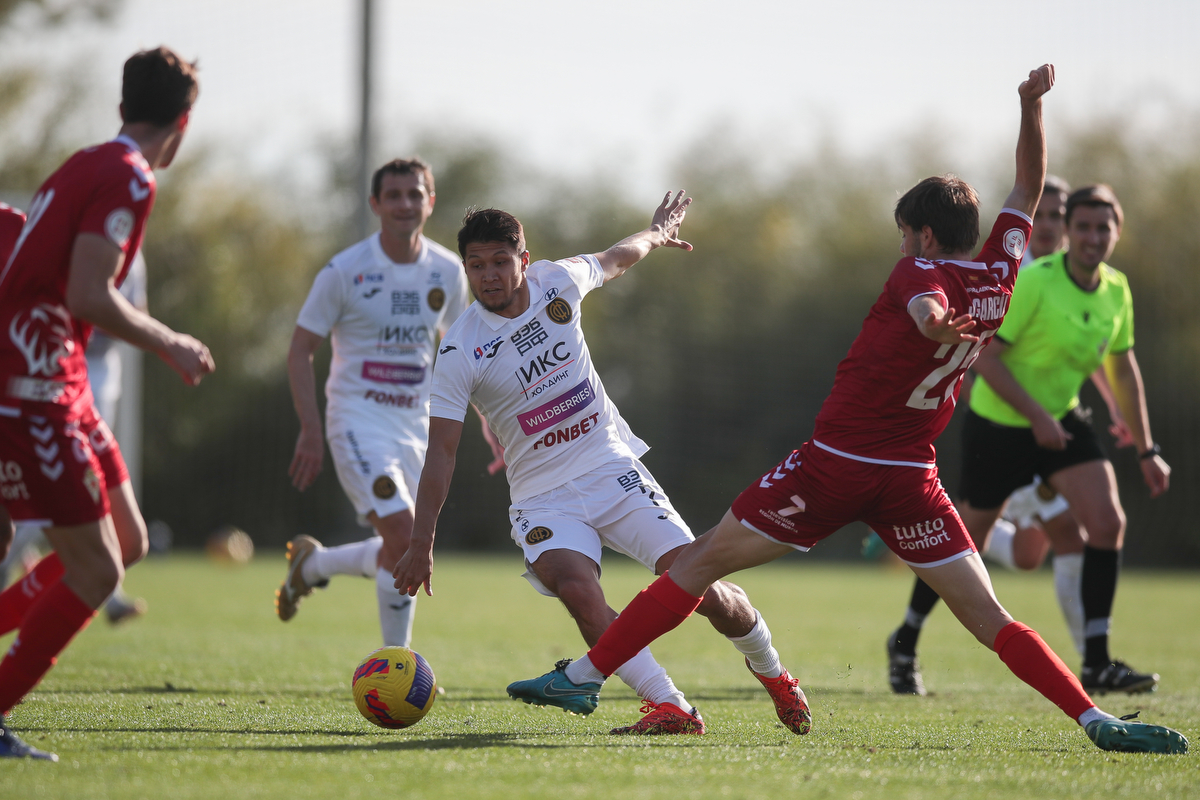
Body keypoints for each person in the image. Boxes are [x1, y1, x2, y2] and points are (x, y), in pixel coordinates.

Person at [503, 66, 1188, 755]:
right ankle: (1095, 720)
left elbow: (926, 310)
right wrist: (1031, 108)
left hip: (834, 465)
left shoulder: (919, 271)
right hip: (911, 478)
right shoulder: (1002, 269)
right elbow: (1028, 188)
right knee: (990, 616)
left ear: (924, 235)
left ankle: (584, 677)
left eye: (904, 233)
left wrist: (937, 322)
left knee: (698, 562)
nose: (901, 245)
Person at [393, 196, 810, 736]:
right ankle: (671, 707)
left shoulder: (557, 282)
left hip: (611, 469)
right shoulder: (459, 350)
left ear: (524, 260)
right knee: (576, 588)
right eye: (477, 265)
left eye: (500, 261)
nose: (489, 275)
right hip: (543, 499)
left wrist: (656, 234)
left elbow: (616, 258)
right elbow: (442, 452)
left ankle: (774, 672)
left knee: (702, 587)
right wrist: (421, 540)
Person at [0, 47, 213, 761]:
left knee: (127, 540)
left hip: (59, 381)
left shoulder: (84, 162)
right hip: (33, 386)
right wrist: (170, 342)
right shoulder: (128, 176)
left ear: (123, 107)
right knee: (96, 573)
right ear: (183, 124)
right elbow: (88, 293)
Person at [896, 183, 1165, 701]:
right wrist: (1035, 416)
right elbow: (986, 357)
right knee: (965, 543)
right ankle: (905, 640)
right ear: (1067, 232)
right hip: (999, 425)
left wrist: (1146, 448)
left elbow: (1122, 366)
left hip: (1061, 420)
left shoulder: (1117, 290)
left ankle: (1097, 661)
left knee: (1106, 522)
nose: (1092, 237)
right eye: (1082, 226)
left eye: (1103, 228)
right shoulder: (1034, 281)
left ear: (1117, 233)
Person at [276, 158, 501, 648]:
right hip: (357, 419)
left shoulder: (447, 270)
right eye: (393, 195)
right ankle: (398, 666)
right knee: (404, 535)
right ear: (375, 204)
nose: (404, 204)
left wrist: (490, 423)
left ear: (430, 202)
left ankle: (312, 566)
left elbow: (463, 354)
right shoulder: (345, 271)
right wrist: (311, 429)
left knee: (394, 546)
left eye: (414, 194)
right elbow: (300, 349)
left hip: (417, 424)